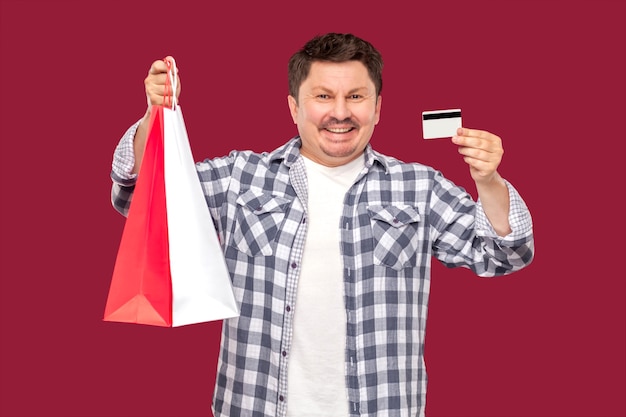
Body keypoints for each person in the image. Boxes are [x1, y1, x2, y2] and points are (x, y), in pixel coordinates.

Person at [110, 33, 534, 417]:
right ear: (294, 106)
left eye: (355, 96)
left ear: (378, 107)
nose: (340, 113)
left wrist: (489, 181)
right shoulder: (242, 177)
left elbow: (504, 254)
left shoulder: (419, 187)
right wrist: (155, 116)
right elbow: (141, 196)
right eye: (323, 96)